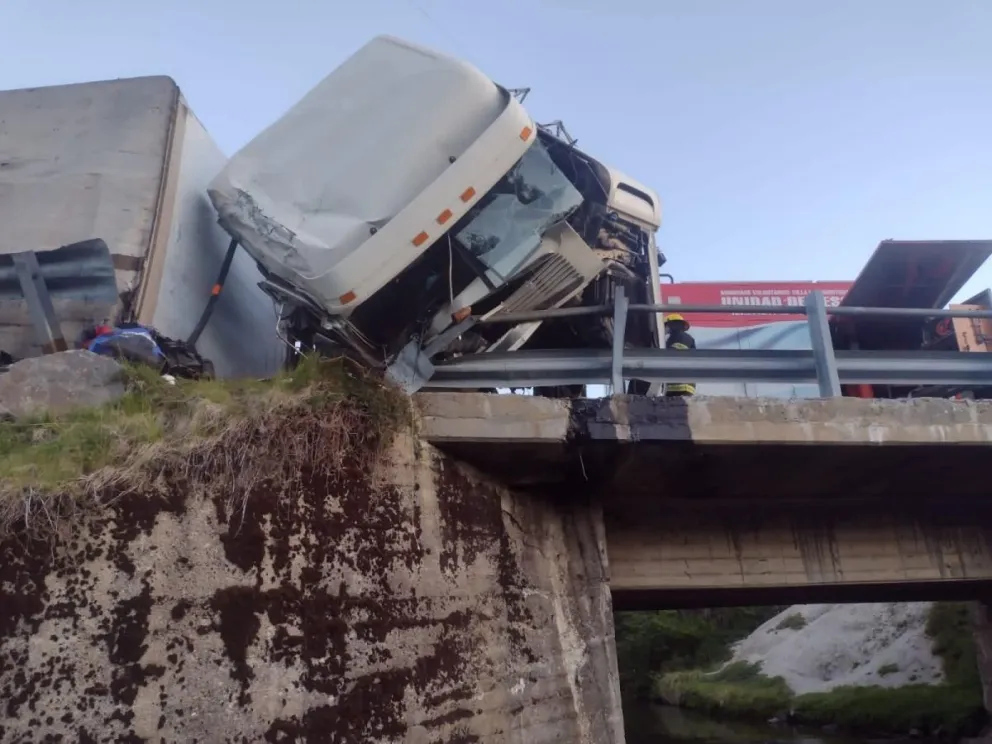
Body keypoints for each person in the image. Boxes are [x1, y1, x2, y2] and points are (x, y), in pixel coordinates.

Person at [664, 313, 696, 397]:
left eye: (666, 326)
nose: (665, 329)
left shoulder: (677, 336)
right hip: (688, 385)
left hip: (677, 385)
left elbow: (672, 356)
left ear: (672, 324)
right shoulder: (689, 339)